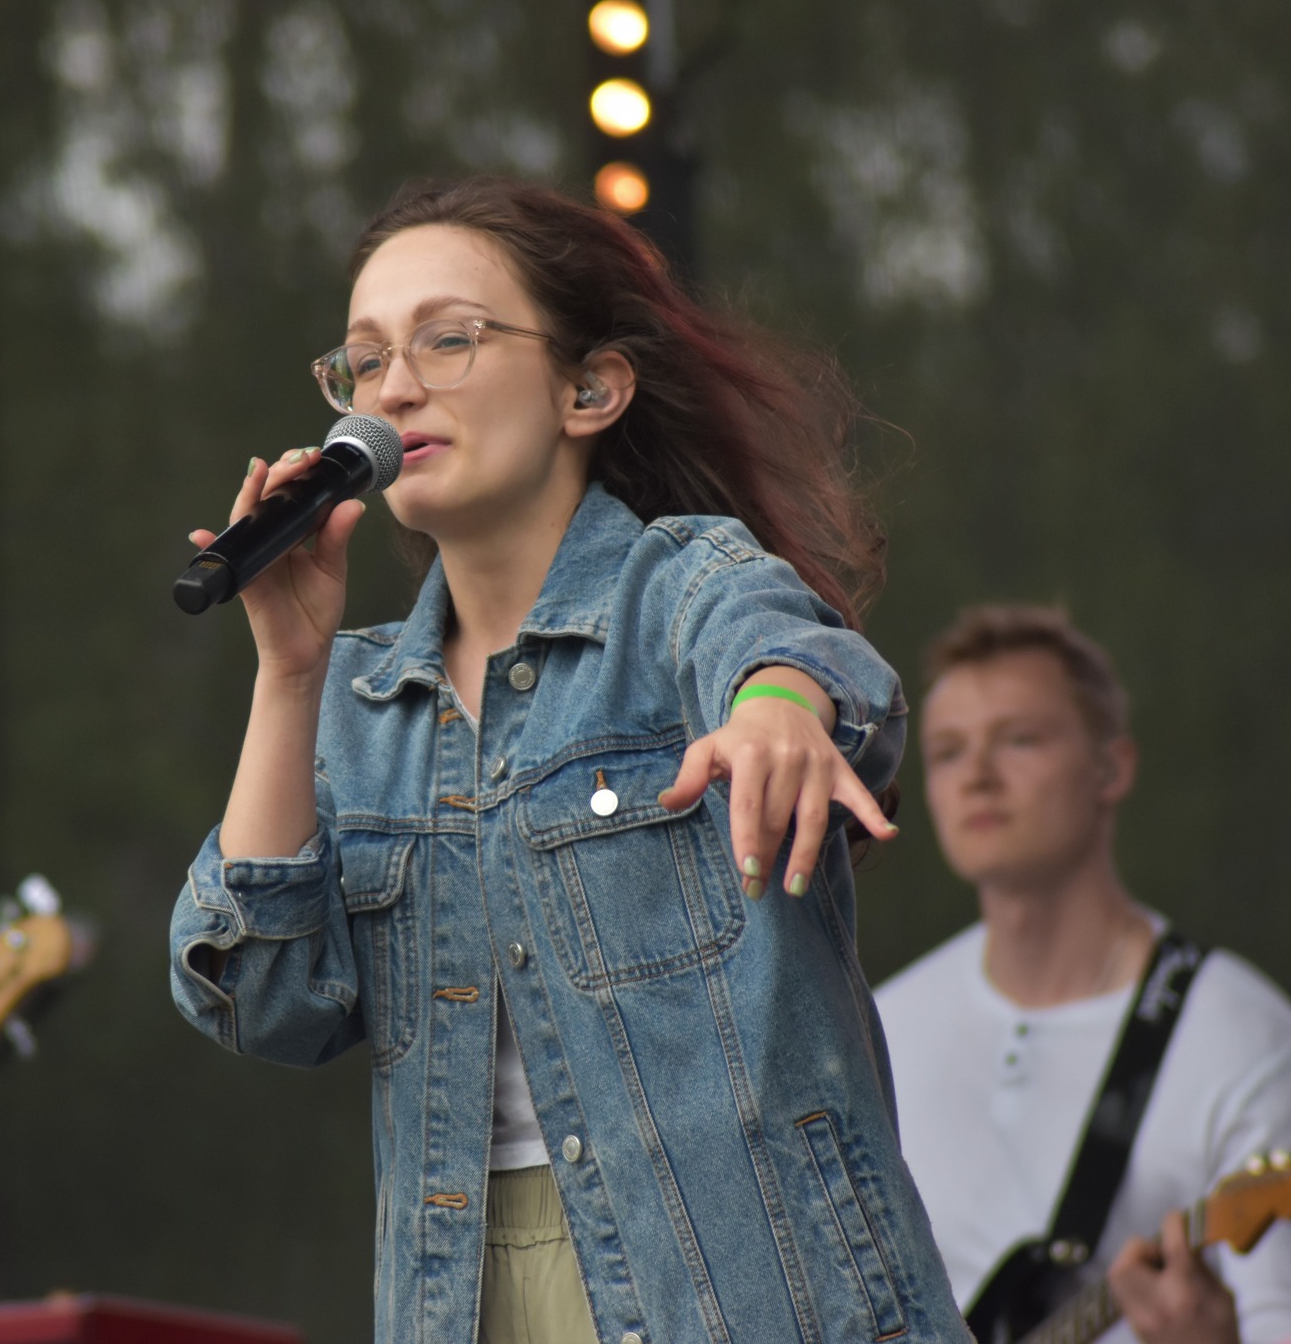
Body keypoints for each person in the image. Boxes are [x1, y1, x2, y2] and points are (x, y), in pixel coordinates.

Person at [167, 177, 966, 1344]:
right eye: (364, 360)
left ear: (588, 390)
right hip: (467, 1296)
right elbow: (260, 997)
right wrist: (288, 674)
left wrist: (775, 710)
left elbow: (793, 655)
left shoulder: (679, 586)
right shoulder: (357, 699)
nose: (393, 388)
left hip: (748, 1293)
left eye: (446, 340)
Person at [876, 605, 1291, 1344]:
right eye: (948, 752)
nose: (979, 777)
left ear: (1112, 767)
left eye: (1020, 739)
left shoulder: (1247, 1041)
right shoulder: (878, 1030)